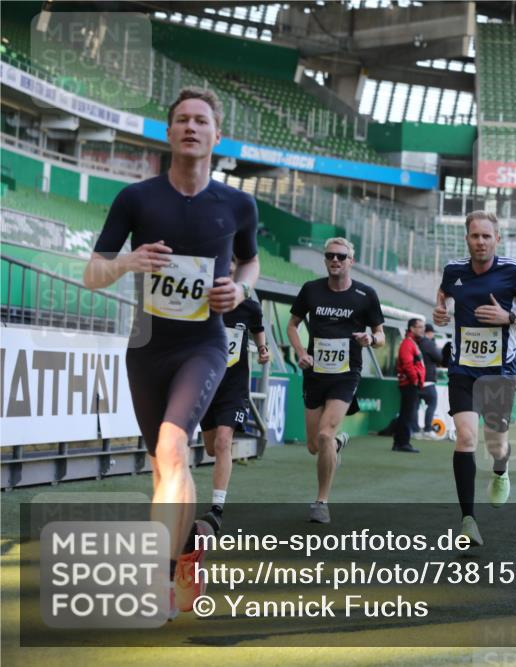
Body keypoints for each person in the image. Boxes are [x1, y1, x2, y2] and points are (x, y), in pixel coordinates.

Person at [83, 87, 259, 617]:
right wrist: (128, 262)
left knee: (173, 449)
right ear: (168, 132)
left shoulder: (237, 204)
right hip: (146, 348)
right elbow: (92, 273)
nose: (190, 127)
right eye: (181, 119)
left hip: (203, 345)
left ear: (216, 135)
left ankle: (157, 580)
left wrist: (241, 290)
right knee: (162, 467)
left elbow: (250, 264)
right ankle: (187, 554)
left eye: (201, 120)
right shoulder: (136, 199)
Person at [433, 211, 516, 546]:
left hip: (499, 370)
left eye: (486, 236)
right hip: (462, 368)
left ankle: (501, 468)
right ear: (467, 239)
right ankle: (468, 520)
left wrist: (508, 316)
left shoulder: (514, 271)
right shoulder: (454, 270)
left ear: (497, 239)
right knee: (465, 439)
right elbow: (443, 294)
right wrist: (440, 310)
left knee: (496, 444)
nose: (480, 242)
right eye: (474, 236)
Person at [287, 237, 385, 523]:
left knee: (325, 433)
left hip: (346, 373)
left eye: (341, 256)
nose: (335, 260)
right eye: (330, 255)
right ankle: (338, 444)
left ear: (351, 261)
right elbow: (292, 325)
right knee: (314, 446)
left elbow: (380, 335)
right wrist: (301, 352)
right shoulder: (311, 290)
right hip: (315, 372)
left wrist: (371, 338)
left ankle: (321, 502)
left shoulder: (365, 295)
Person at [199, 259, 270, 534]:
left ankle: (216, 507)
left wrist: (263, 349)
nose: (229, 267)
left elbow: (258, 328)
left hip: (233, 385)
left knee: (223, 440)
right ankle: (222, 458)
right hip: (206, 383)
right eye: (224, 261)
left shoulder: (249, 305)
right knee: (211, 447)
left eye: (234, 262)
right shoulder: (203, 299)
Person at [394, 318, 425, 453]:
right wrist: (415, 380)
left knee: (406, 414)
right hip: (409, 384)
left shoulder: (411, 343)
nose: (422, 329)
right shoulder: (408, 343)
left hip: (410, 383)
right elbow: (407, 365)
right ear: (412, 328)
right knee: (407, 414)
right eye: (419, 327)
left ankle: (399, 442)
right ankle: (403, 443)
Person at [414, 322, 443, 438]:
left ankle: (415, 430)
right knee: (432, 404)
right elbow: (439, 358)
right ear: (429, 333)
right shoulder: (429, 343)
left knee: (414, 407)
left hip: (415, 380)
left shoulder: (415, 342)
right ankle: (427, 429)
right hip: (428, 380)